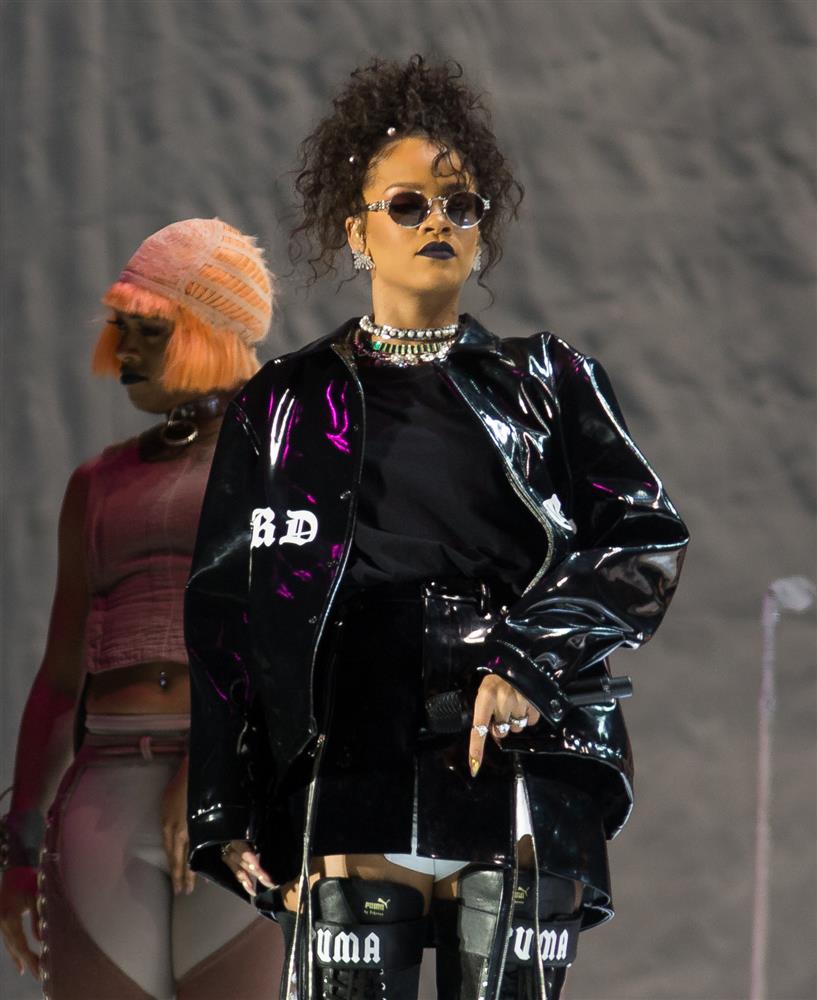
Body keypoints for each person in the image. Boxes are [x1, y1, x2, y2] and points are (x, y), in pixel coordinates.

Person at [186, 56, 689, 1000]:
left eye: (460, 206)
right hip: (348, 737)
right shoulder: (283, 401)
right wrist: (222, 802)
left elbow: (641, 538)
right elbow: (226, 610)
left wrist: (532, 659)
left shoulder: (550, 381)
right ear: (357, 232)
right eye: (409, 205)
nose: (438, 224)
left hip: (517, 747)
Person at [0, 218, 283, 1000]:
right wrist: (17, 847)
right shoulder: (97, 483)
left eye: (148, 330)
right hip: (104, 796)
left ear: (213, 331)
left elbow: (298, 645)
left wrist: (212, 765)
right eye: (119, 327)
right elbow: (61, 679)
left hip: (239, 795)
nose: (122, 350)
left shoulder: (288, 466)